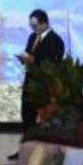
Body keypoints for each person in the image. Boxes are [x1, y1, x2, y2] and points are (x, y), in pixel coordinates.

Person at [14, 9, 65, 156]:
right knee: (27, 117)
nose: (33, 29)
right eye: (31, 25)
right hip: (30, 84)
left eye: (35, 25)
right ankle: (25, 150)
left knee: (46, 120)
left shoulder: (55, 40)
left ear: (45, 23)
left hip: (45, 87)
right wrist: (24, 59)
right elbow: (28, 54)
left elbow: (53, 64)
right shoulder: (32, 37)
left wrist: (33, 60)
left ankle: (44, 153)